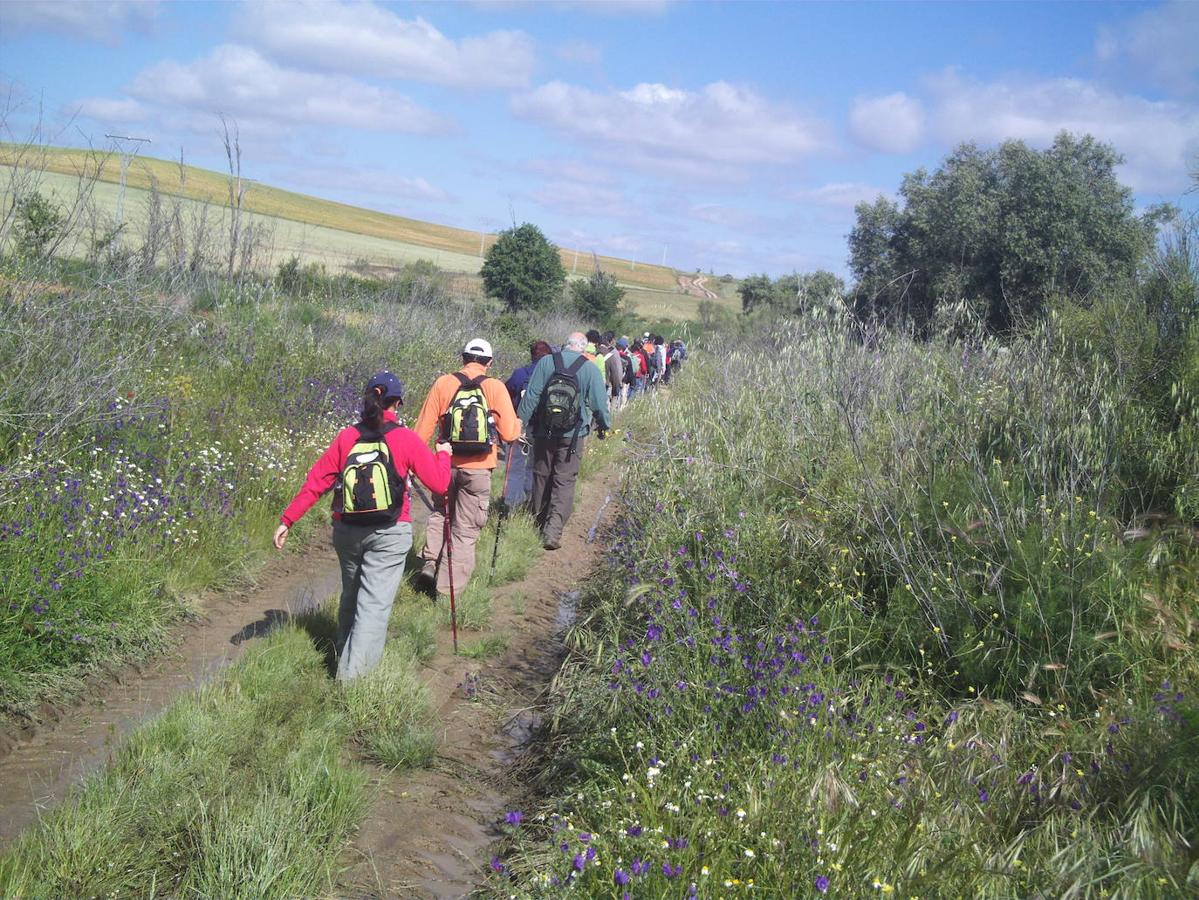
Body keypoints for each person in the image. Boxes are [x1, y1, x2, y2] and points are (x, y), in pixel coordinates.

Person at [274, 371, 451, 680]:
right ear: (397, 403)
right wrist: (444, 455)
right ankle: (352, 682)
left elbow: (317, 482)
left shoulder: (346, 438)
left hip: (347, 532)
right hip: (390, 533)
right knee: (373, 607)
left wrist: (288, 519)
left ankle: (344, 656)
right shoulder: (406, 439)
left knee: (351, 597)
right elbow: (439, 483)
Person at [413, 338, 520, 596]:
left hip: (444, 463)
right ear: (489, 363)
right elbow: (509, 434)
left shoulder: (443, 383)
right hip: (479, 469)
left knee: (440, 512)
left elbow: (422, 429)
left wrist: (413, 462)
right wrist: (517, 424)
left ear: (463, 358)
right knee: (465, 528)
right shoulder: (494, 387)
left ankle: (430, 563)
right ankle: (448, 590)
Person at [517, 331, 612, 550]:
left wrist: (518, 423)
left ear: (565, 345)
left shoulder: (546, 362)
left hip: (543, 431)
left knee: (541, 475)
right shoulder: (589, 368)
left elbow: (531, 395)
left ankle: (537, 522)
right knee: (564, 480)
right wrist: (604, 426)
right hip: (573, 435)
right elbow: (599, 404)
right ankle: (553, 531)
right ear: (583, 347)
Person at [503, 340, 552, 507]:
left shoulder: (520, 374)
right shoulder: (552, 375)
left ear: (532, 355)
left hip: (520, 427)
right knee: (534, 464)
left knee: (515, 465)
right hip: (542, 429)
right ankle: (531, 500)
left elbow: (506, 395)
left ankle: (511, 503)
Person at [603, 338, 624, 410]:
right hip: (609, 384)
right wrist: (617, 384)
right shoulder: (614, 354)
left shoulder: (600, 352)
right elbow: (617, 371)